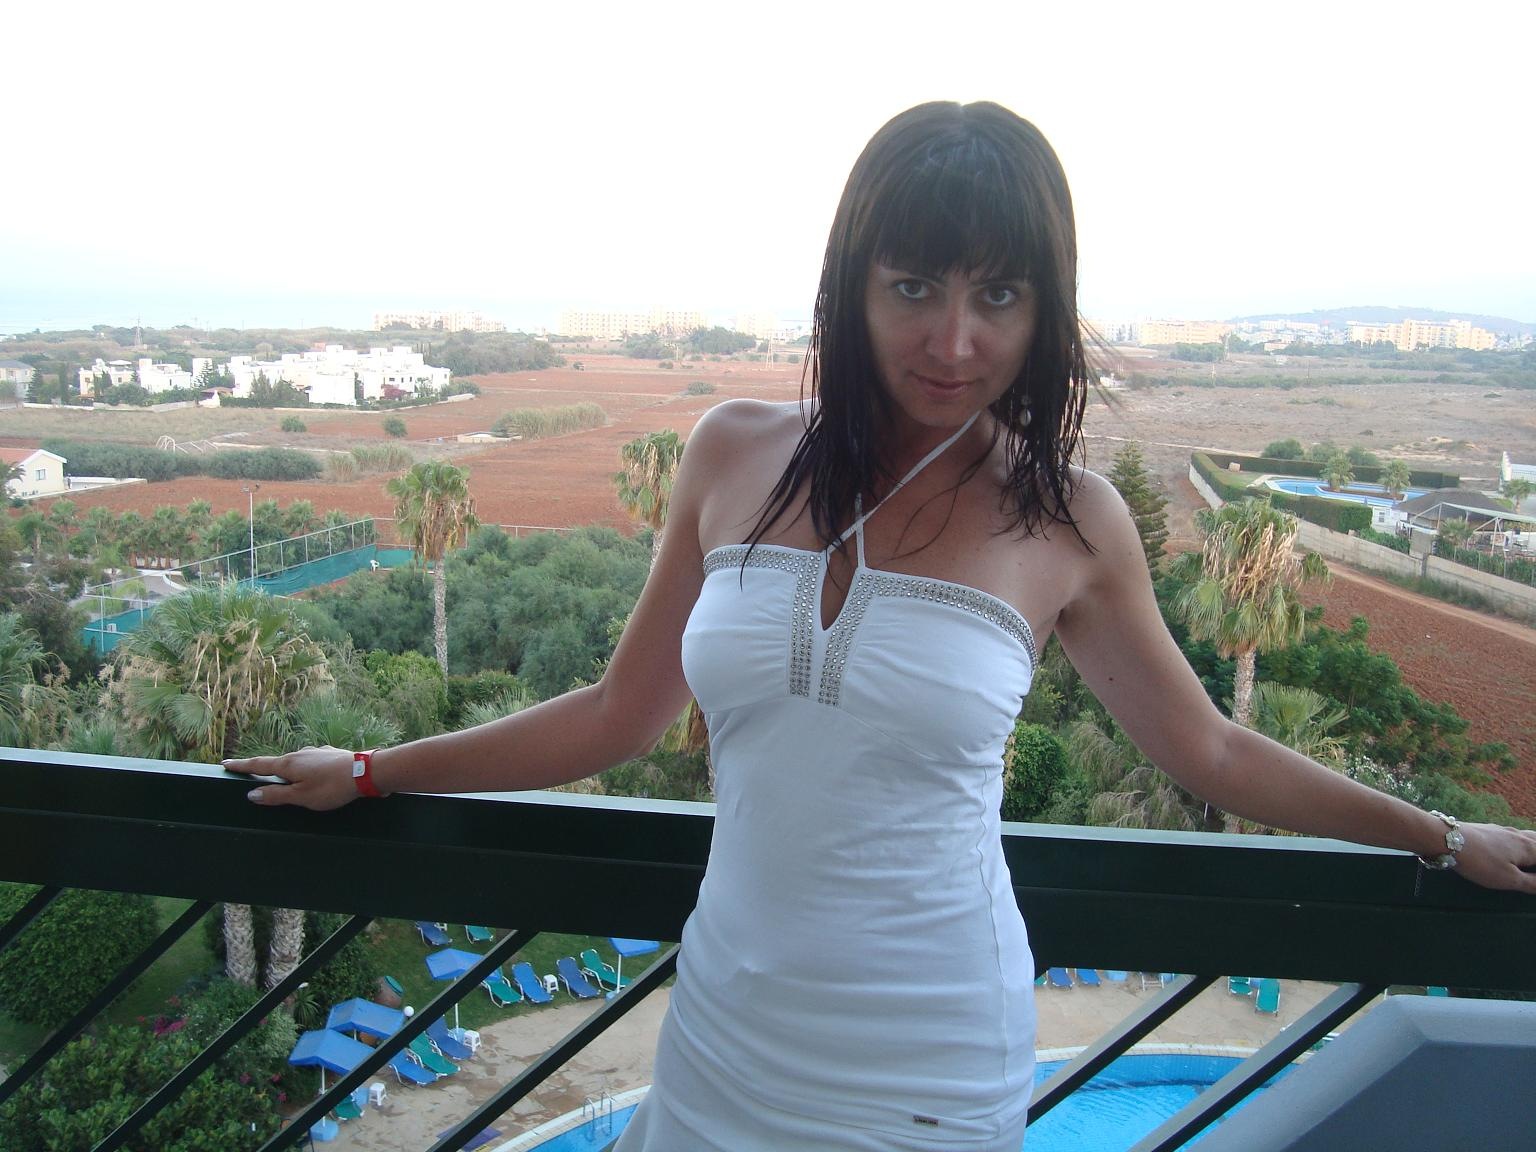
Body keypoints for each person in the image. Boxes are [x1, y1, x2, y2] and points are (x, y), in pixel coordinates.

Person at [224, 101, 1536, 1151]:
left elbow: (1214, 751)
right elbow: (619, 715)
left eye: (999, 296)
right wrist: (375, 770)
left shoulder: (1066, 519)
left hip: (930, 1055)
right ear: (852, 286)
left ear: (1044, 309)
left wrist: (1440, 836)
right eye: (914, 287)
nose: (953, 340)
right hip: (728, 1023)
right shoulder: (731, 453)